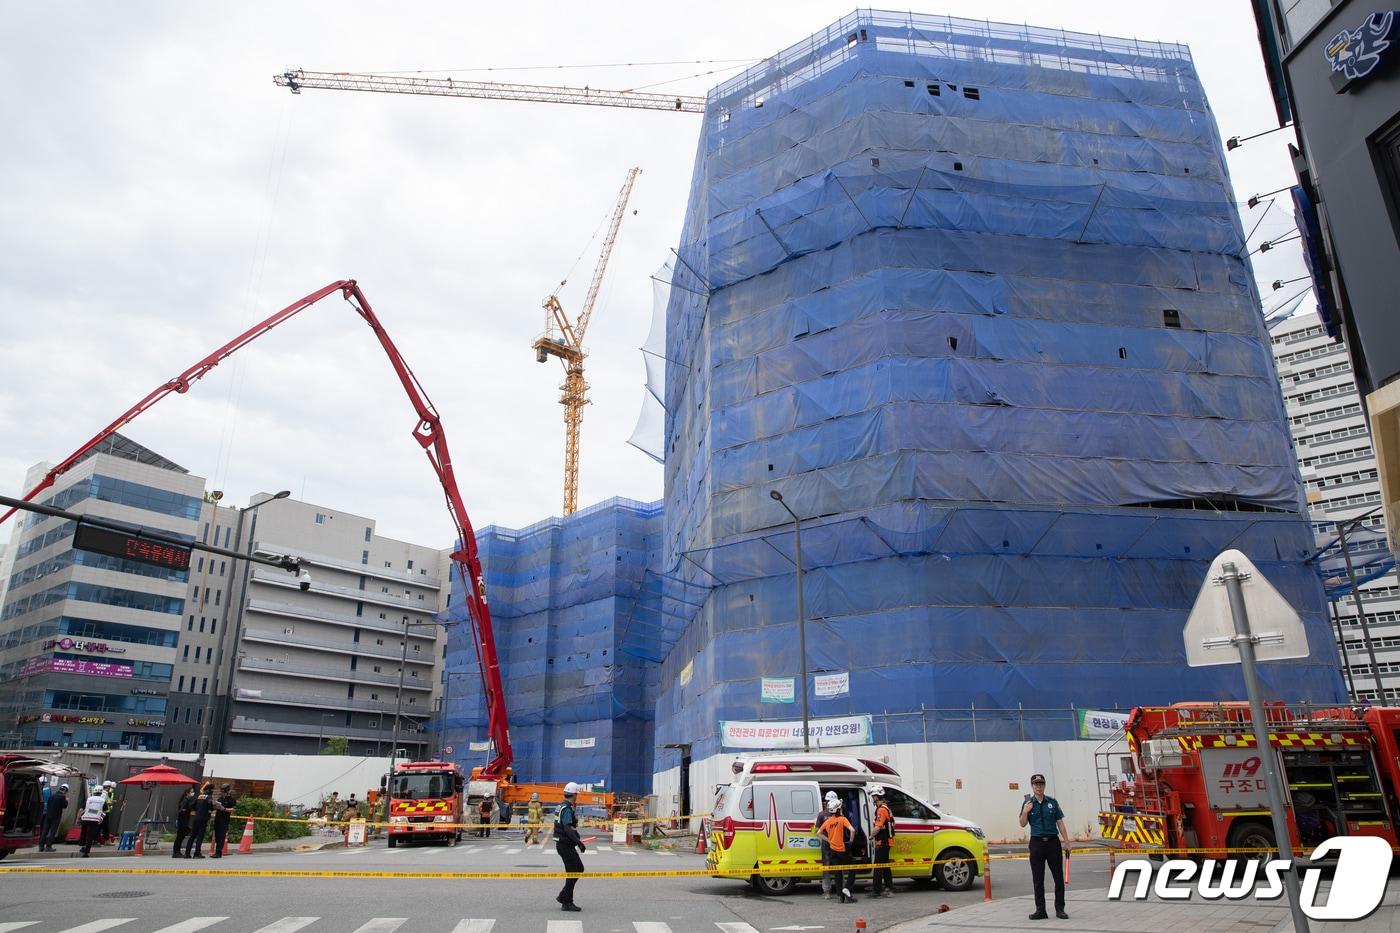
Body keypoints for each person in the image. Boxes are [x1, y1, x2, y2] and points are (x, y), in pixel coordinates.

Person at [1019, 772, 1070, 921]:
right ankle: (1040, 910)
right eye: (1036, 784)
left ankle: (1060, 909)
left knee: (1058, 878)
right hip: (1036, 843)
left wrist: (1067, 842)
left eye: (1041, 784)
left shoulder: (1052, 802)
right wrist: (1025, 812)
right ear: (1032, 786)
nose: (1038, 787)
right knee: (1038, 878)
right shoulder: (1028, 804)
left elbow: (1060, 822)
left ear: (1044, 785)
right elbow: (1022, 823)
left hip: (1053, 842)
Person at [553, 782, 586, 911]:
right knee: (573, 872)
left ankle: (563, 895)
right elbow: (567, 828)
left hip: (564, 843)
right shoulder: (566, 808)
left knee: (579, 869)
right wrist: (578, 842)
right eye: (577, 794)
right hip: (565, 844)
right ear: (574, 794)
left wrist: (576, 839)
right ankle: (567, 902)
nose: (577, 796)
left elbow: (569, 827)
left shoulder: (561, 806)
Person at [819, 797, 856, 904]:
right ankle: (847, 888)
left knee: (837, 873)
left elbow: (818, 833)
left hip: (833, 850)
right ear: (839, 809)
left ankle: (840, 896)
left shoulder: (828, 821)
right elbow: (852, 830)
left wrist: (829, 840)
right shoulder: (842, 819)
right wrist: (850, 842)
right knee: (852, 868)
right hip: (843, 849)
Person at [870, 785, 896, 898]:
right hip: (887, 841)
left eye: (873, 796)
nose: (872, 798)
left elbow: (878, 826)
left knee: (878, 867)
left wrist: (871, 836)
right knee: (885, 866)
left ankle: (876, 890)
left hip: (882, 842)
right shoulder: (886, 808)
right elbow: (893, 823)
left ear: (876, 797)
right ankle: (889, 887)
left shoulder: (881, 809)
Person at [185, 782, 215, 858]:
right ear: (209, 790)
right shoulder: (209, 797)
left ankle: (187, 854)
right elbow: (211, 807)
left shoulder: (199, 796)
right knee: (200, 837)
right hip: (203, 819)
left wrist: (199, 810)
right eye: (212, 790)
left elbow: (193, 806)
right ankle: (197, 853)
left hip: (196, 818)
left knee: (192, 836)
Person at [820, 790, 840, 899]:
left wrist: (828, 840)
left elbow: (818, 831)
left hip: (826, 845)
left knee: (826, 868)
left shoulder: (822, 814)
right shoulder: (841, 815)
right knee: (838, 867)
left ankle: (827, 892)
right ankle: (840, 890)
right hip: (838, 844)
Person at [78, 783, 106, 857]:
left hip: (85, 818)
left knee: (84, 833)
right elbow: (105, 811)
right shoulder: (103, 800)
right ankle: (86, 852)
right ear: (101, 792)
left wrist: (78, 818)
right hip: (95, 820)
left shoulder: (89, 799)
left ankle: (82, 845)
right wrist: (100, 818)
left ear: (94, 791)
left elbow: (81, 809)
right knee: (90, 836)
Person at [210, 783, 237, 858]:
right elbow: (216, 807)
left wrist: (224, 809)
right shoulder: (220, 798)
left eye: (224, 791)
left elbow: (234, 809)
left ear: (227, 791)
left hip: (224, 820)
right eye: (222, 791)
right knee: (217, 836)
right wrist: (215, 806)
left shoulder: (232, 799)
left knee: (221, 836)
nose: (222, 793)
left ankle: (218, 853)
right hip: (217, 818)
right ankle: (216, 852)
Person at [40, 782, 69, 851]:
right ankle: (48, 846)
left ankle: (41, 846)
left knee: (45, 831)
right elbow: (64, 806)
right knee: (52, 831)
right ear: (65, 790)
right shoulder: (62, 797)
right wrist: (66, 801)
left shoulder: (52, 795)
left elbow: (48, 804)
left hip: (48, 815)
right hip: (56, 817)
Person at [172, 787, 195, 858]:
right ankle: (176, 852)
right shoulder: (185, 801)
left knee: (181, 837)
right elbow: (181, 811)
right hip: (182, 821)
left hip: (184, 821)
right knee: (179, 837)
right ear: (187, 793)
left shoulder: (187, 800)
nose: (192, 793)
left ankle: (177, 852)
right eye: (191, 792)